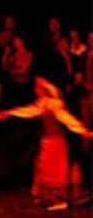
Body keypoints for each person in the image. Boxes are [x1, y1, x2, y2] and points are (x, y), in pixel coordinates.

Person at [7, 77, 93, 210]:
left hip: (56, 141)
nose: (36, 90)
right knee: (45, 167)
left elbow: (66, 119)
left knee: (54, 169)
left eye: (39, 87)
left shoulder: (54, 104)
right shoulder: (43, 103)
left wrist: (82, 130)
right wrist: (12, 112)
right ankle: (51, 198)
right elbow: (30, 111)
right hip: (48, 140)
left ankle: (60, 200)